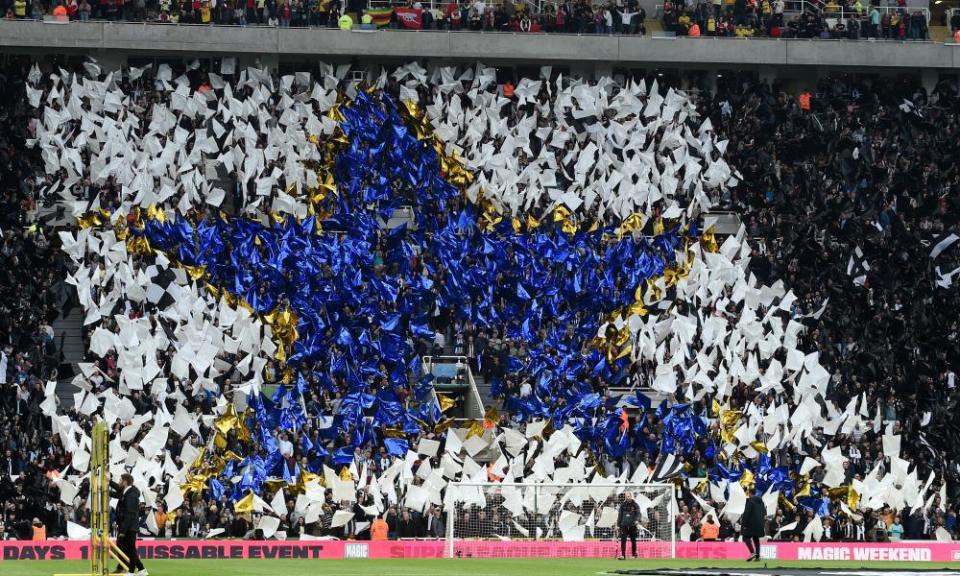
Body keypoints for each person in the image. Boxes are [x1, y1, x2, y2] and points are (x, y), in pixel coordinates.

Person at [115, 473, 147, 576]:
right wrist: (108, 482)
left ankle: (131, 571)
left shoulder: (131, 494)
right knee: (124, 547)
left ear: (125, 482)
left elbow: (130, 514)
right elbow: (117, 491)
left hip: (130, 527)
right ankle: (141, 569)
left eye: (120, 480)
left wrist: (123, 530)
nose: (119, 482)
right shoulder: (127, 491)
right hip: (127, 526)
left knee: (130, 549)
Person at [741, 487, 765, 561]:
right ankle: (758, 557)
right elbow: (764, 512)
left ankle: (752, 552)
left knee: (745, 537)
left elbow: (747, 513)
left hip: (750, 523)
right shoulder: (761, 502)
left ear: (750, 493)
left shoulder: (749, 501)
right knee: (756, 539)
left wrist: (743, 523)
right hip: (759, 524)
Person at [617, 492, 640, 560]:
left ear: (631, 496)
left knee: (633, 540)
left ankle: (634, 555)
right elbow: (620, 515)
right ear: (625, 497)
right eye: (626, 496)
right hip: (623, 525)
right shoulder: (622, 505)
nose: (627, 497)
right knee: (623, 540)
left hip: (633, 525)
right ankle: (623, 556)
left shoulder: (635, 505)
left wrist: (637, 520)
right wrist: (618, 525)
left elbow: (638, 514)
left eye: (628, 496)